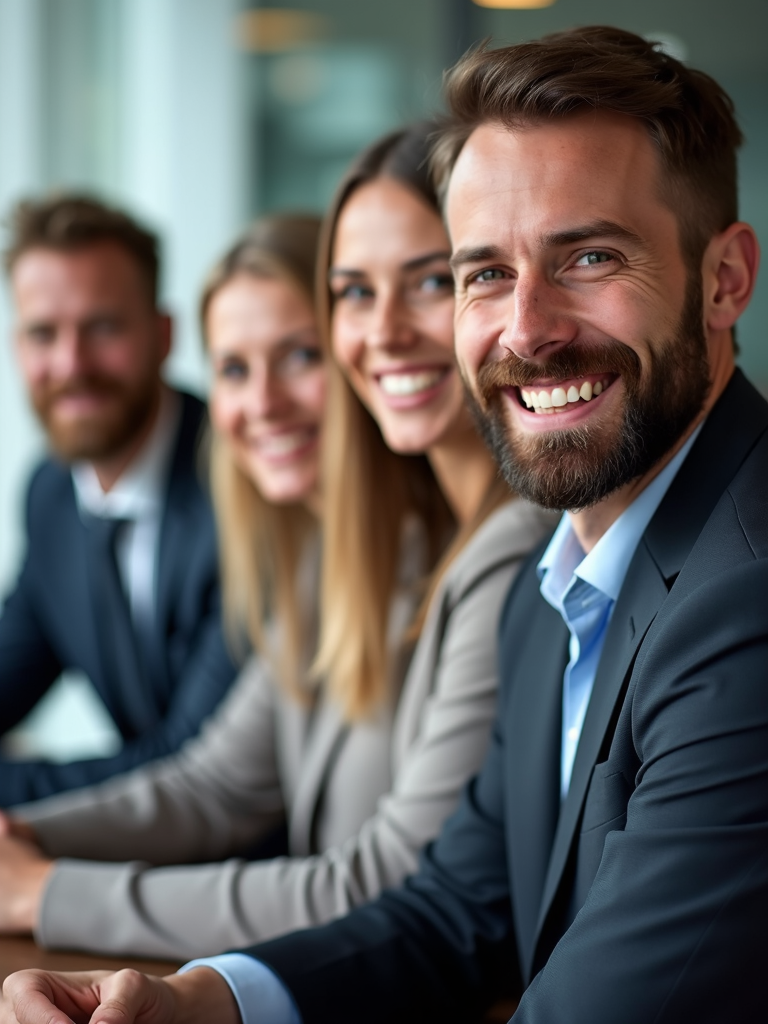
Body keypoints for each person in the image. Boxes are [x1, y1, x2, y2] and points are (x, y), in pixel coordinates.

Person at [4, 25, 765, 1024]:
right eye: (484, 272)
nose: (527, 328)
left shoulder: (743, 601)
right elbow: (459, 907)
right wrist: (199, 1001)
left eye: (588, 256)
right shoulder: (560, 578)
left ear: (725, 279)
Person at [0, 138, 554, 962]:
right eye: (232, 368)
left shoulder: (507, 549)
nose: (263, 403)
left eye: (297, 357)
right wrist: (20, 840)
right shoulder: (350, 554)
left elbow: (389, 881)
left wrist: (45, 891)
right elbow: (217, 782)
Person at [0, 195, 238, 806]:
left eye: (102, 327)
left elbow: (188, 761)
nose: (70, 363)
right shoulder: (50, 491)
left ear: (163, 336)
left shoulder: (240, 490)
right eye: (42, 334)